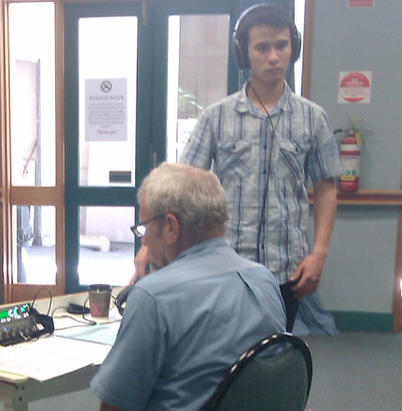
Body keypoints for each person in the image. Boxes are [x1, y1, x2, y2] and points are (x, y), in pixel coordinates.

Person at [31, 163, 286, 411]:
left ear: (171, 227)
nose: (143, 239)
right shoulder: (264, 280)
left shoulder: (153, 295)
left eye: (144, 227)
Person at [134, 4, 342, 336]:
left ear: (294, 48)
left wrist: (320, 252)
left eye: (282, 45)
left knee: (273, 361)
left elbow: (326, 187)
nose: (274, 56)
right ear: (243, 54)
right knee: (218, 360)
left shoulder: (312, 118)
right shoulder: (217, 117)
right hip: (223, 268)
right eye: (262, 47)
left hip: (286, 270)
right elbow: (179, 184)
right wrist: (150, 242)